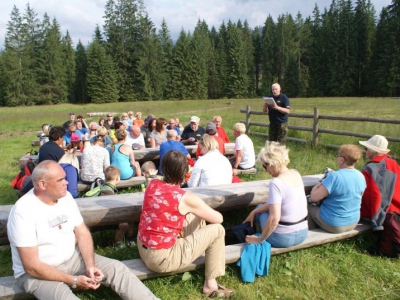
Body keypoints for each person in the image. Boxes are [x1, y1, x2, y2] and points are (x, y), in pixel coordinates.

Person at [7, 160, 158, 300]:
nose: (67, 182)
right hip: (38, 273)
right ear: (42, 184)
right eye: (60, 180)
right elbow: (32, 266)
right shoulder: (23, 212)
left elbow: (82, 232)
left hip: (72, 258)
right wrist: (72, 280)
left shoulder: (64, 197)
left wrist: (90, 265)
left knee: (117, 269)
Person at [137, 150, 234, 298]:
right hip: (161, 259)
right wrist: (197, 206)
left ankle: (198, 250)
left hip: (143, 248)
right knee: (218, 230)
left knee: (195, 215)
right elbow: (218, 219)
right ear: (184, 172)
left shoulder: (153, 184)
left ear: (163, 167)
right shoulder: (184, 197)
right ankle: (210, 284)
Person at [244, 141, 308, 248]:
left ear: (271, 163)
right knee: (260, 208)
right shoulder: (296, 173)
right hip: (303, 233)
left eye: (265, 167)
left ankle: (259, 234)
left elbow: (274, 218)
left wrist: (260, 239)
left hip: (283, 239)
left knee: (262, 211)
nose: (266, 171)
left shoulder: (276, 183)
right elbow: (275, 204)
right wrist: (254, 211)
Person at [309, 145, 366, 233]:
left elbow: (314, 197)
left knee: (307, 204)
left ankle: (310, 232)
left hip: (334, 224)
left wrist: (317, 186)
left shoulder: (334, 176)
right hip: (353, 222)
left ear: (342, 159)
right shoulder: (361, 176)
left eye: (338, 155)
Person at [358, 135, 400, 230]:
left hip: (383, 214)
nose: (365, 151)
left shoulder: (370, 169)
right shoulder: (393, 163)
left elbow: (372, 196)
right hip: (396, 210)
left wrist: (377, 222)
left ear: (374, 151)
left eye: (366, 148)